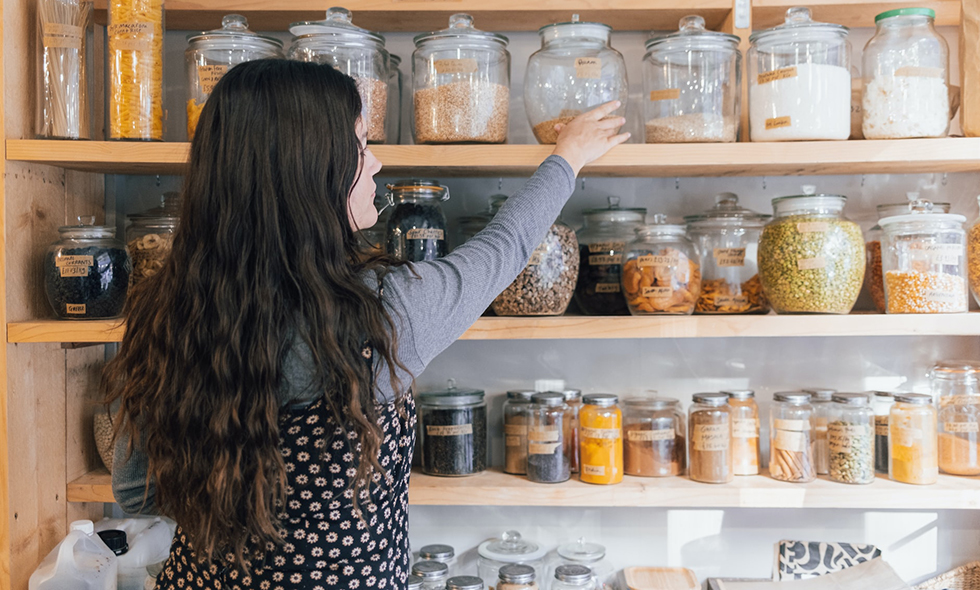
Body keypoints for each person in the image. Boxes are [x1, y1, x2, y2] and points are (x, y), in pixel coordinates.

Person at [104, 59, 628, 589]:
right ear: (310, 170)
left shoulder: (165, 310)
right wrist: (569, 157)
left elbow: (136, 492)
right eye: (359, 146)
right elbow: (503, 249)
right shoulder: (380, 314)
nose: (376, 164)